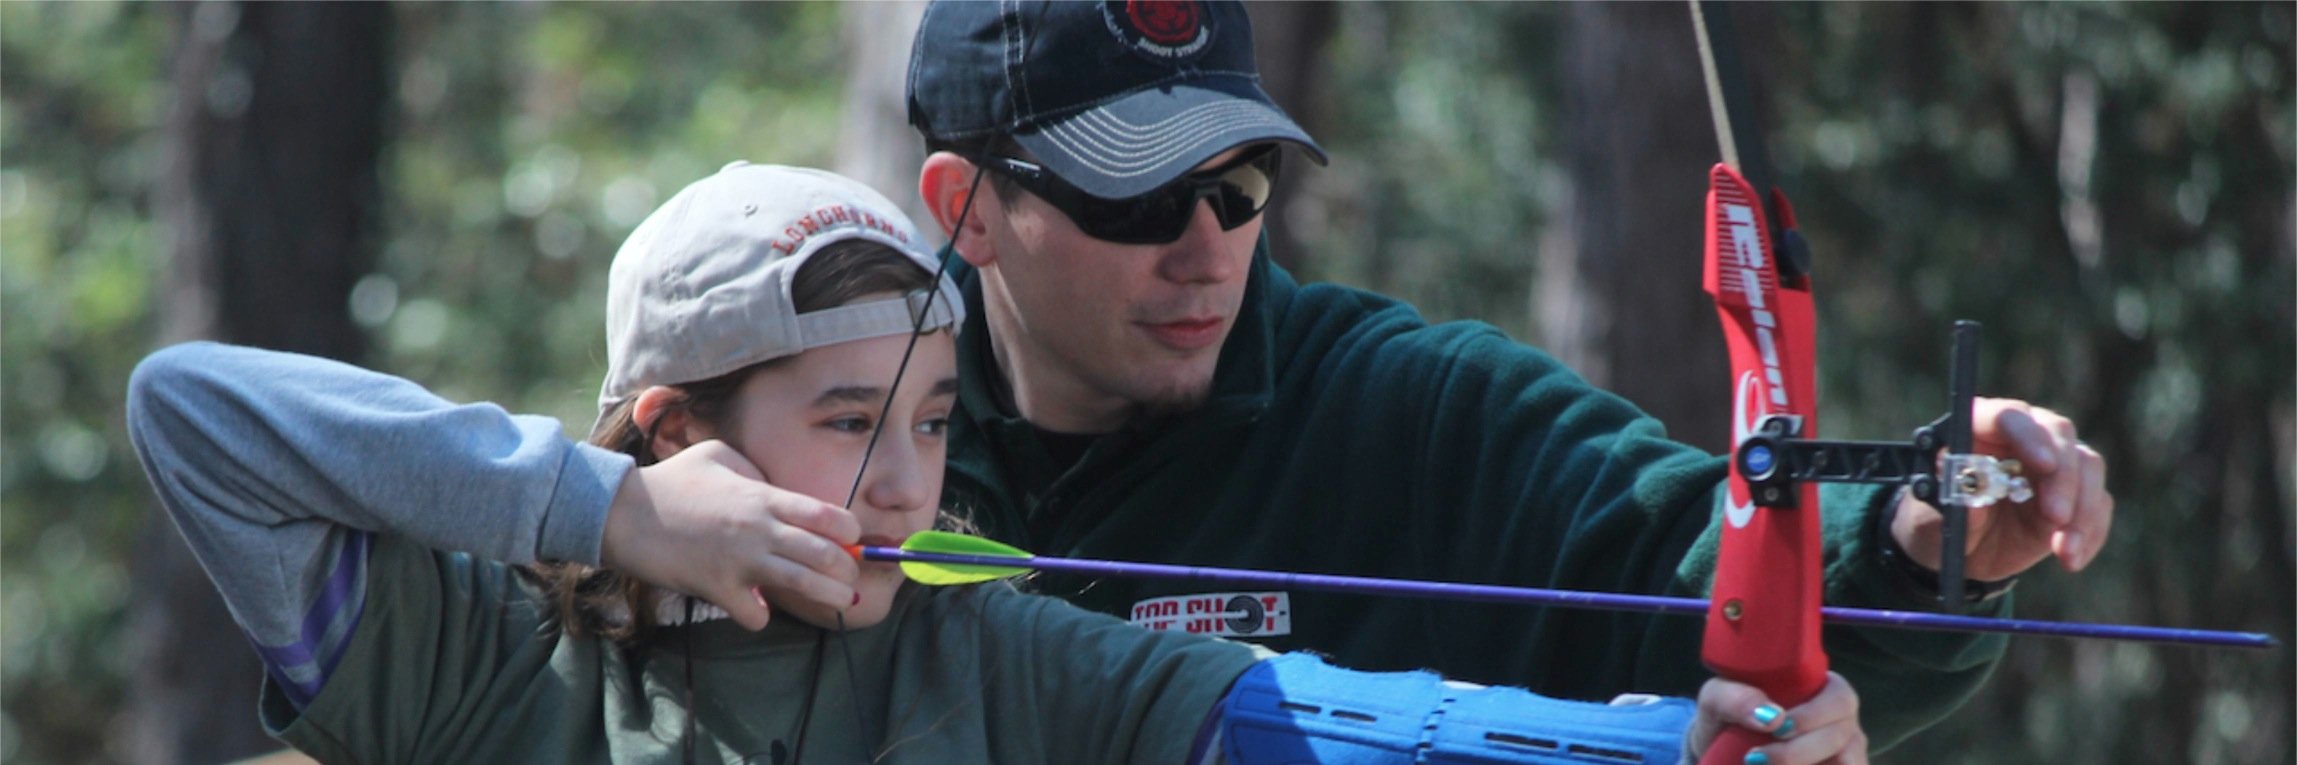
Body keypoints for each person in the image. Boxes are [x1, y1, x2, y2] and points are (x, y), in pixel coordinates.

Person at [130, 164, 1870, 764]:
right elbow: (192, 412)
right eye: (843, 422)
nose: (904, 482)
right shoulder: (473, 663)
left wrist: (1665, 744)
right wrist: (608, 517)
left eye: (934, 420)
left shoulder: (987, 650)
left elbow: (1330, 722)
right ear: (675, 427)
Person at [893, 0, 2109, 750]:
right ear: (969, 210)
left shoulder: (1407, 408)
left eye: (1240, 182)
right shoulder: (852, 411)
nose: (1207, 248)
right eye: (1139, 194)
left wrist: (1908, 536)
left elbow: (1692, 552)